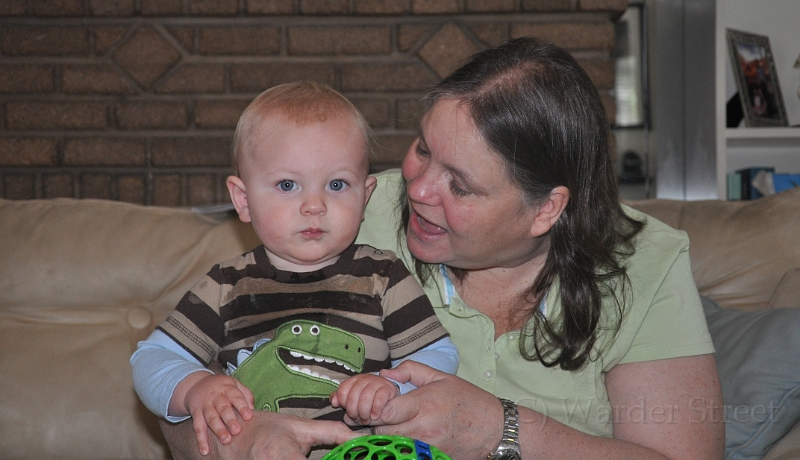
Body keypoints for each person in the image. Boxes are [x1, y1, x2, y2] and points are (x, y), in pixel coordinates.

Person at [160, 38, 725, 460]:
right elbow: (182, 401)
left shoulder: (645, 262)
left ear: (545, 210)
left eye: (461, 185)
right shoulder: (338, 213)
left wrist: (501, 429)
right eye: (424, 149)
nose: (420, 189)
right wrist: (242, 439)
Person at [131, 81, 458, 457]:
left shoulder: (382, 276)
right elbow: (150, 359)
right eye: (287, 185)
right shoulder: (225, 285)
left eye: (337, 184)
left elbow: (439, 355)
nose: (314, 205)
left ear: (364, 197)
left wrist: (393, 386)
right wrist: (194, 388)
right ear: (244, 200)